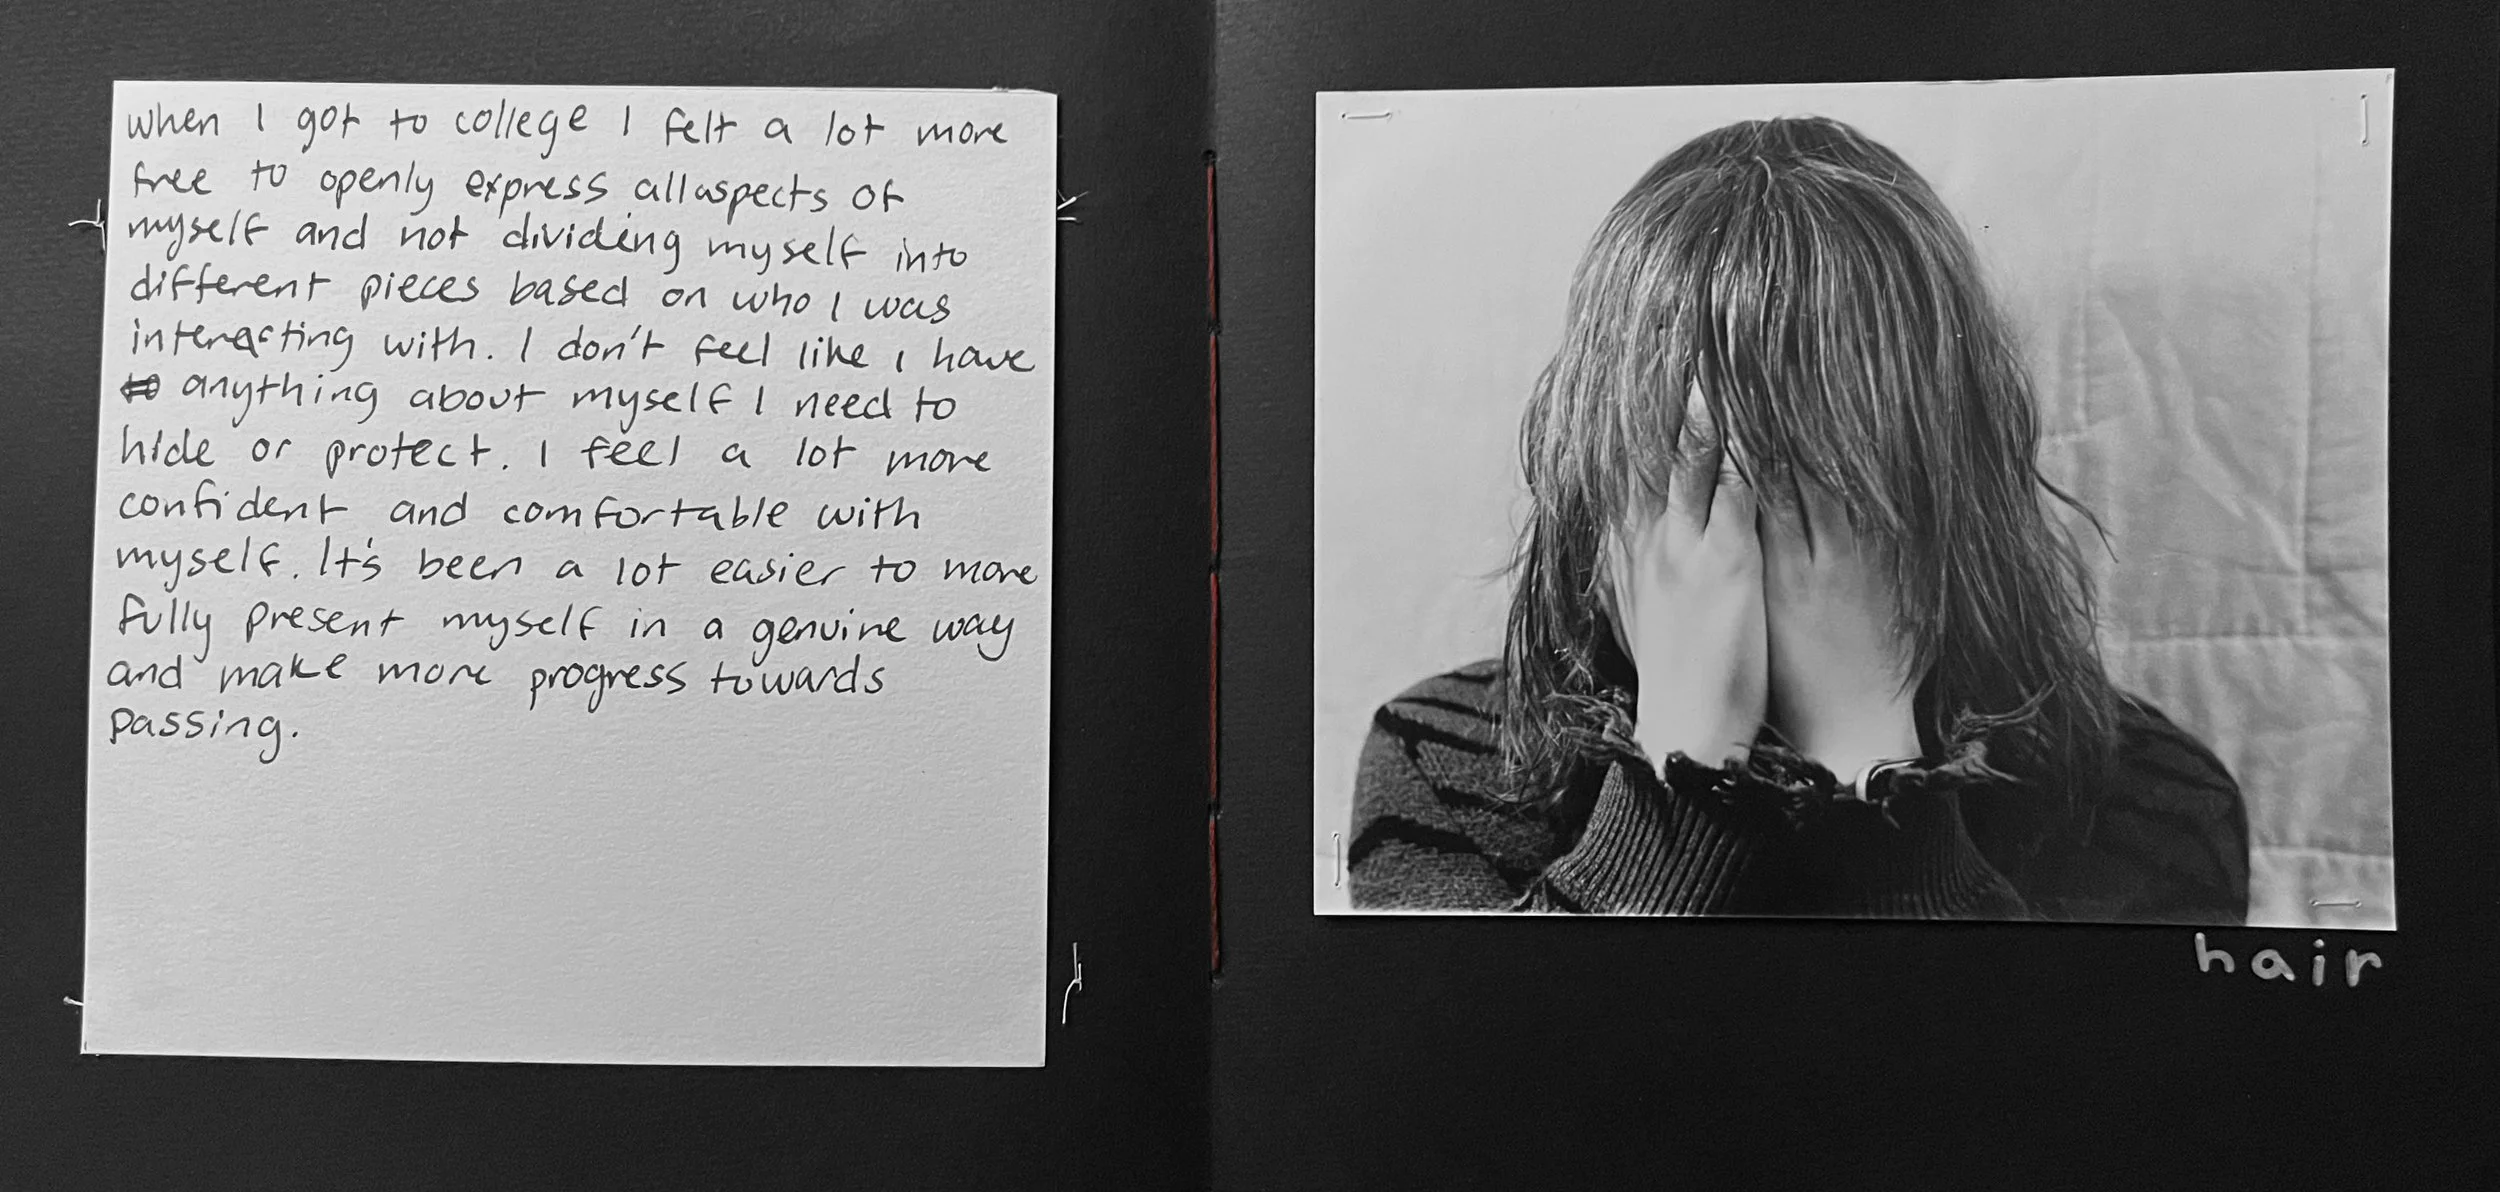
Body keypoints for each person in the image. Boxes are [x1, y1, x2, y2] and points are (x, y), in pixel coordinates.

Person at [1347, 116, 2249, 921]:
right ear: (1597, 481)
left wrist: (1872, 769)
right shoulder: (1446, 760)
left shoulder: (2151, 800)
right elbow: (1509, 1061)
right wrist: (1682, 767)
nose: (1747, 541)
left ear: (1947, 483)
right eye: (1697, 481)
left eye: (1820, 489)